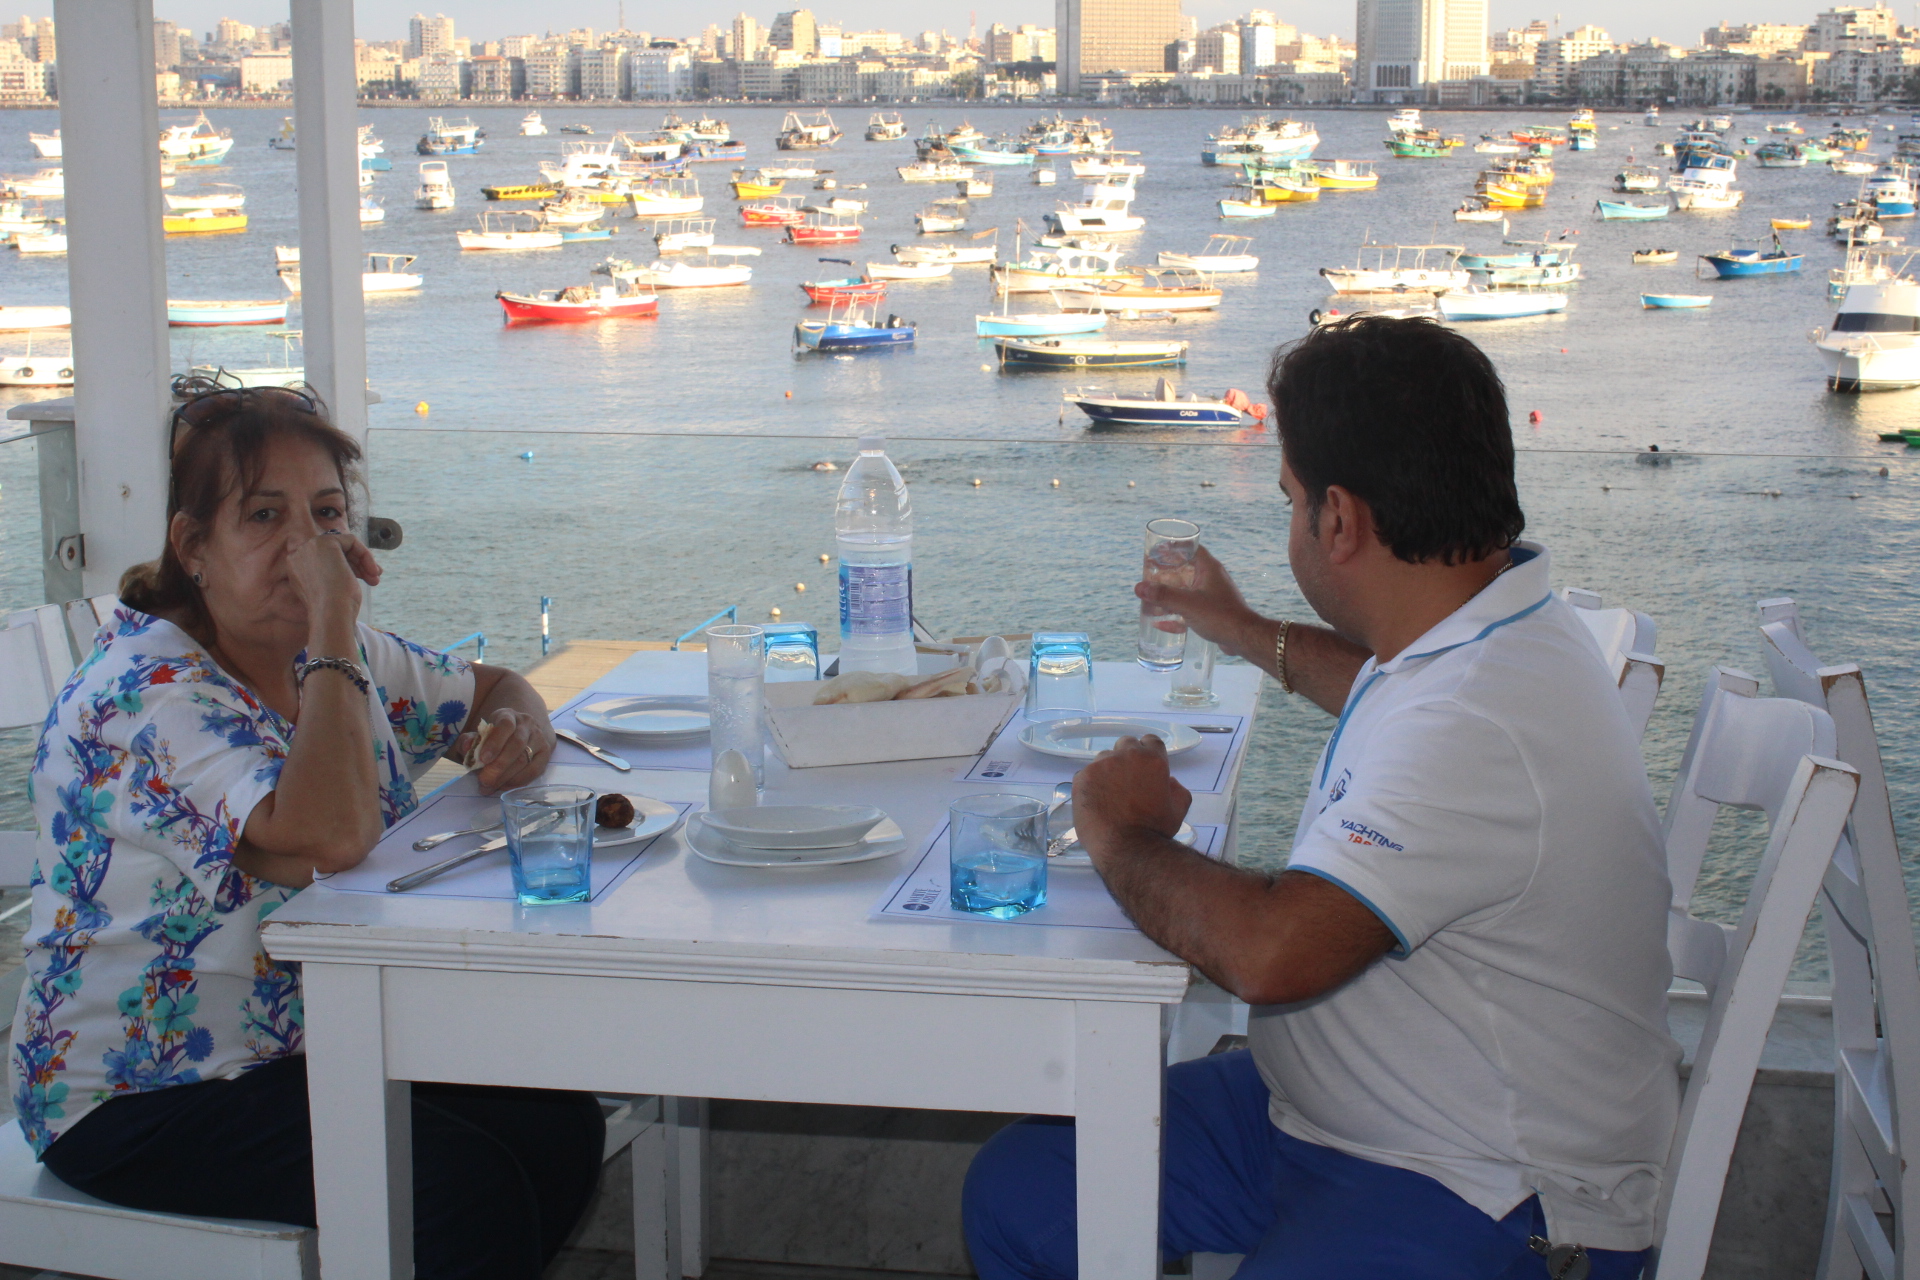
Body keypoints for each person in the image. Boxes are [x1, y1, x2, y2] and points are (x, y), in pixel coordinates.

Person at [963, 317, 1680, 1279]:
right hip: (1341, 1116)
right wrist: (1238, 626)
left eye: (1292, 499)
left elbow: (1269, 953)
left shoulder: (1474, 722)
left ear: (1338, 520)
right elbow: (1378, 687)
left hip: (1483, 1189)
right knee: (1024, 1194)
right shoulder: (1489, 628)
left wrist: (1121, 830)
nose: (1292, 517)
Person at [9, 383, 605, 1280]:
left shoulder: (329, 656)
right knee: (456, 1188)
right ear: (193, 547)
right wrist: (332, 618)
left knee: (555, 1126)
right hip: (139, 1095)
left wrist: (521, 729)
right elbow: (328, 836)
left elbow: (492, 687)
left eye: (326, 515)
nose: (306, 546)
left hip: (302, 1044)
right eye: (264, 516)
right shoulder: (150, 696)